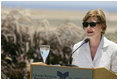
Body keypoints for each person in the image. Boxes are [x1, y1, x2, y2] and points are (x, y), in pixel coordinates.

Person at [72, 8, 117, 74]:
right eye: (85, 24)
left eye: (92, 24)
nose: (88, 28)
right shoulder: (77, 48)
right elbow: (73, 74)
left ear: (102, 26)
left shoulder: (114, 49)